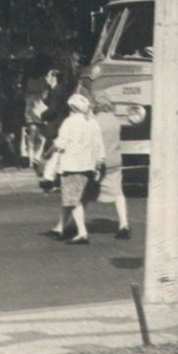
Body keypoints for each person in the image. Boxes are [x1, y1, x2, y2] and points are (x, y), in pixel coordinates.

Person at [50, 94, 105, 244]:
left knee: (73, 200)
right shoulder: (93, 123)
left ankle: (82, 232)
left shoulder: (69, 122)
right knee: (74, 198)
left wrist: (51, 151)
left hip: (72, 166)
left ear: (71, 108)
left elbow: (61, 144)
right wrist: (99, 163)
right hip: (89, 166)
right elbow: (99, 145)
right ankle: (60, 227)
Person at [91, 94, 131, 239]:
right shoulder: (115, 120)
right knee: (118, 193)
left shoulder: (96, 121)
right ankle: (124, 223)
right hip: (115, 160)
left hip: (100, 162)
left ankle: (70, 225)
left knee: (81, 193)